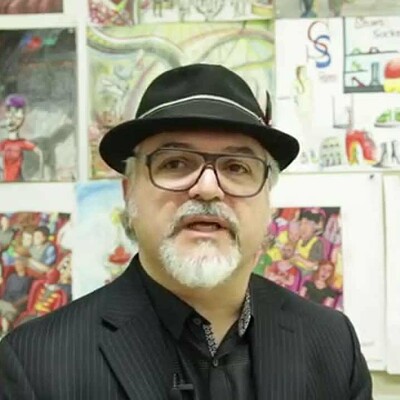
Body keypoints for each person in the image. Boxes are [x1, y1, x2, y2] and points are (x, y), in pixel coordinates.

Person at [0, 64, 372, 399]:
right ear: (129, 193)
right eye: (175, 163)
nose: (208, 189)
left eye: (237, 167)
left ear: (267, 199)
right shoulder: (35, 365)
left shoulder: (333, 345)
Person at [0, 94, 44, 182]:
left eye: (17, 111)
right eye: (9, 111)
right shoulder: (4, 143)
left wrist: (41, 176)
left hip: (18, 183)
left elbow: (39, 153)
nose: (12, 116)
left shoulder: (22, 143)